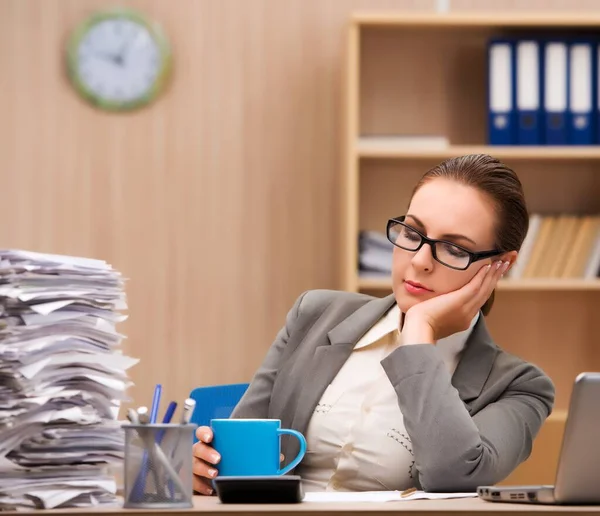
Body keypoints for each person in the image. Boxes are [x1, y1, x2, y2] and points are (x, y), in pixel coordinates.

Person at [192, 153, 555, 495]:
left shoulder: (520, 386)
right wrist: (204, 467)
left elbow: (454, 477)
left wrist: (419, 332)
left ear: (502, 265)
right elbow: (236, 459)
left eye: (454, 249)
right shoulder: (315, 314)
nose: (420, 262)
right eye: (412, 234)